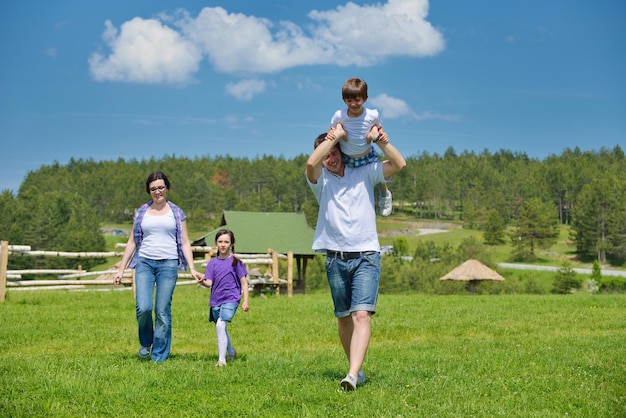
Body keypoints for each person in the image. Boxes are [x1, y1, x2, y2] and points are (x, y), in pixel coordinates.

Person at [306, 128, 406, 391]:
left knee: (361, 314)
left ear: (343, 152)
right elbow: (310, 164)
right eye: (327, 154)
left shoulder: (362, 172)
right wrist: (332, 138)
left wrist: (381, 140)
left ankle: (350, 375)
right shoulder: (321, 181)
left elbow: (399, 163)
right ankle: (356, 369)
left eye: (336, 152)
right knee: (343, 317)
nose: (332, 158)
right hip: (335, 258)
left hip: (366, 255)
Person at [114, 171, 203, 362]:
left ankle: (159, 356)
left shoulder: (177, 213)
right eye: (153, 189)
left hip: (168, 264)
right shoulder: (141, 212)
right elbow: (132, 242)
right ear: (149, 191)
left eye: (161, 187)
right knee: (143, 307)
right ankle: (146, 343)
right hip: (144, 263)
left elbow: (185, 242)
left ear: (167, 188)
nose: (157, 192)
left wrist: (192, 267)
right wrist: (121, 269)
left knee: (162, 310)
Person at [330, 77, 394, 216]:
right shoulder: (339, 115)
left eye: (357, 100)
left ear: (365, 98)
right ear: (344, 100)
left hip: (367, 154)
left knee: (379, 179)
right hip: (347, 158)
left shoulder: (372, 115)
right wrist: (331, 134)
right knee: (349, 183)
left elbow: (379, 128)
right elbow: (331, 129)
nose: (353, 104)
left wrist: (383, 134)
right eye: (349, 101)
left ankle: (385, 194)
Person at [196, 229, 250, 367]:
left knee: (220, 324)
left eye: (226, 242)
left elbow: (244, 282)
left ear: (231, 244)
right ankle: (231, 351)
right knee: (222, 327)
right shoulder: (212, 263)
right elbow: (209, 283)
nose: (223, 244)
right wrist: (202, 280)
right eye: (220, 241)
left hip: (231, 298)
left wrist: (245, 301)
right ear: (216, 243)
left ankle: (222, 360)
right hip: (216, 300)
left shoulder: (236, 262)